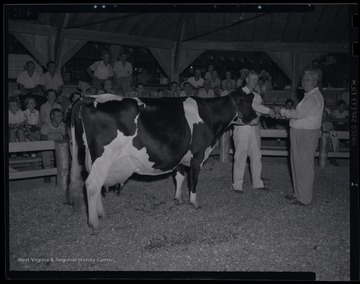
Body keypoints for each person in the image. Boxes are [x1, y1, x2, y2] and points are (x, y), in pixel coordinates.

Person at [275, 70, 324, 206]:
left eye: (308, 80)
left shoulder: (313, 98)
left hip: (306, 134)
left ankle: (305, 198)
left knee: (305, 166)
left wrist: (281, 111)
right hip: (300, 133)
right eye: (303, 80)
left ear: (315, 82)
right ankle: (298, 193)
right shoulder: (309, 96)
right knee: (297, 164)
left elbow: (298, 114)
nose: (304, 82)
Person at [232, 70, 276, 194]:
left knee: (256, 156)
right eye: (252, 79)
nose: (255, 82)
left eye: (257, 79)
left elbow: (258, 111)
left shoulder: (258, 96)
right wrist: (268, 111)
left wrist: (269, 113)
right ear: (246, 79)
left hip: (255, 128)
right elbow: (251, 106)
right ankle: (238, 185)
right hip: (242, 128)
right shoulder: (239, 93)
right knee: (240, 156)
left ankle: (257, 183)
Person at [40, 108, 68, 183]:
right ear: (52, 116)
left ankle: (64, 173)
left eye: (61, 115)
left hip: (57, 147)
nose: (60, 118)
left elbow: (65, 139)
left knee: (65, 147)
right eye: (58, 116)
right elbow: (43, 141)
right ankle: (47, 174)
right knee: (45, 151)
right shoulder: (45, 126)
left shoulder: (63, 125)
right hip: (48, 147)